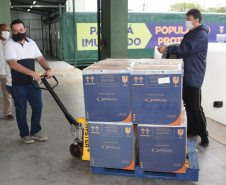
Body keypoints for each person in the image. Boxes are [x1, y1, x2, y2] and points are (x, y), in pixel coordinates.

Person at [157, 9, 209, 146]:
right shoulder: (192, 33)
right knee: (189, 105)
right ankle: (192, 130)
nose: (187, 21)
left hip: (193, 75)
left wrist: (168, 49)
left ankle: (204, 136)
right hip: (186, 74)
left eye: (189, 18)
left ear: (196, 20)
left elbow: (187, 49)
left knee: (195, 106)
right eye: (186, 18)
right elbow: (183, 47)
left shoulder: (200, 35)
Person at [4, 19, 53, 144]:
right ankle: (24, 134)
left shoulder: (31, 43)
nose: (18, 33)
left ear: (25, 29)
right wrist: (32, 73)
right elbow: (13, 64)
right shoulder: (9, 44)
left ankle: (35, 132)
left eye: (21, 30)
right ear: (12, 31)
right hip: (16, 84)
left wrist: (47, 69)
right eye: (15, 31)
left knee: (38, 106)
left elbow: (40, 58)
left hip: (32, 82)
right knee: (21, 109)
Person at [0, 24, 15, 120]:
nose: (7, 32)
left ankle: (7, 113)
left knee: (7, 94)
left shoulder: (10, 43)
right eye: (5, 30)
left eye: (8, 30)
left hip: (6, 73)